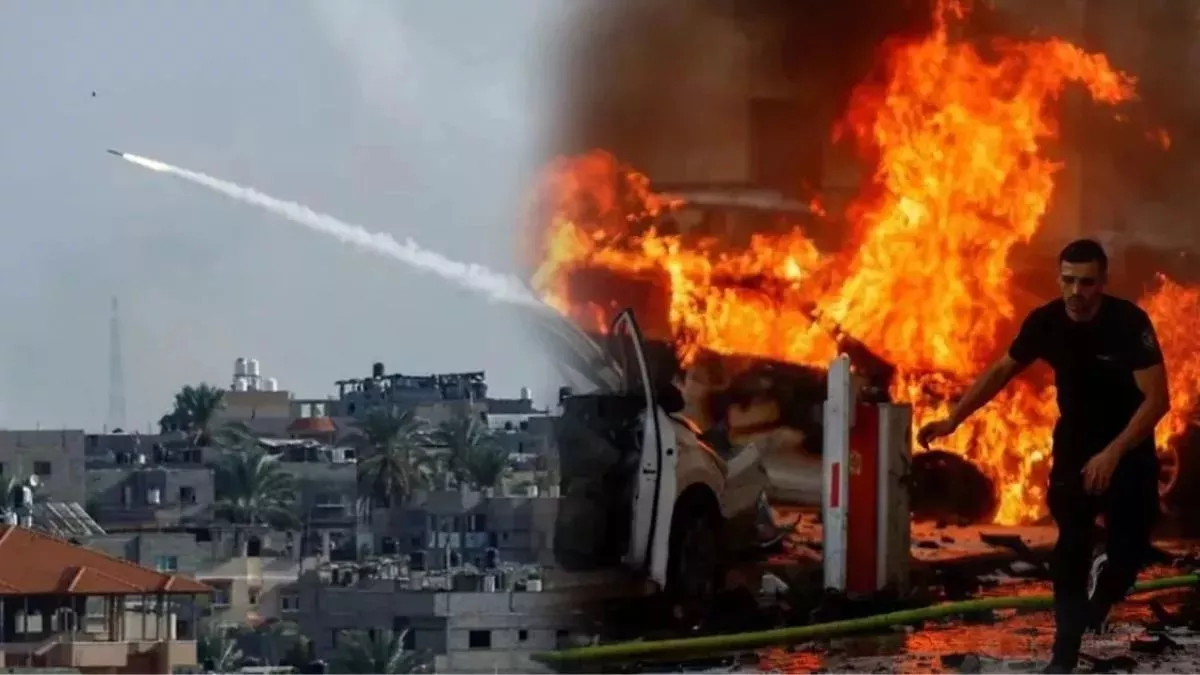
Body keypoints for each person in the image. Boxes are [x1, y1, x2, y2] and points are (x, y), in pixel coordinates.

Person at [918, 238, 1170, 674]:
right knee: (1070, 548)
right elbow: (1001, 370)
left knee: (1131, 553)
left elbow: (1157, 401)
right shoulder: (1047, 321)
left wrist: (1112, 454)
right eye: (1068, 280)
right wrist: (952, 419)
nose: (1077, 291)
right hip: (1074, 446)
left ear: (1102, 283)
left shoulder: (1128, 324)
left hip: (1128, 448)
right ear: (1060, 279)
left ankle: (1107, 585)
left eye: (1087, 282)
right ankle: (1064, 653)